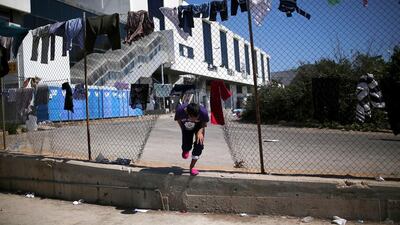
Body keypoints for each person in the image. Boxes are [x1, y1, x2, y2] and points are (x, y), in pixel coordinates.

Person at [174, 102, 209, 176]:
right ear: (187, 113)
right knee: (186, 144)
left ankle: (192, 167)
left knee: (199, 144)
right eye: (193, 118)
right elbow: (178, 120)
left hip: (199, 126)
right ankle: (186, 149)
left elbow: (204, 124)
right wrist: (183, 129)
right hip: (187, 125)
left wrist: (199, 132)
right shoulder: (180, 110)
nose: (194, 120)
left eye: (197, 118)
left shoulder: (203, 112)